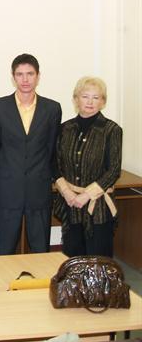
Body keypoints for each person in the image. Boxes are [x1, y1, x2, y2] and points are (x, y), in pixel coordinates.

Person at [0, 54, 62, 254]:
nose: (25, 79)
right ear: (13, 77)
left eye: (30, 74)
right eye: (20, 74)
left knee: (40, 247)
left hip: (39, 186)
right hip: (9, 187)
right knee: (6, 248)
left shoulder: (52, 108)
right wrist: (12, 168)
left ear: (38, 76)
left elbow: (51, 147)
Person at [54, 77, 122, 257]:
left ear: (103, 102)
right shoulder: (64, 128)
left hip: (98, 206)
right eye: (85, 96)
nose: (90, 102)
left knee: (98, 260)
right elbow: (55, 164)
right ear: (76, 99)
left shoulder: (112, 130)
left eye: (96, 97)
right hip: (71, 203)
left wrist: (86, 195)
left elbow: (114, 170)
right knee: (72, 258)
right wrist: (66, 192)